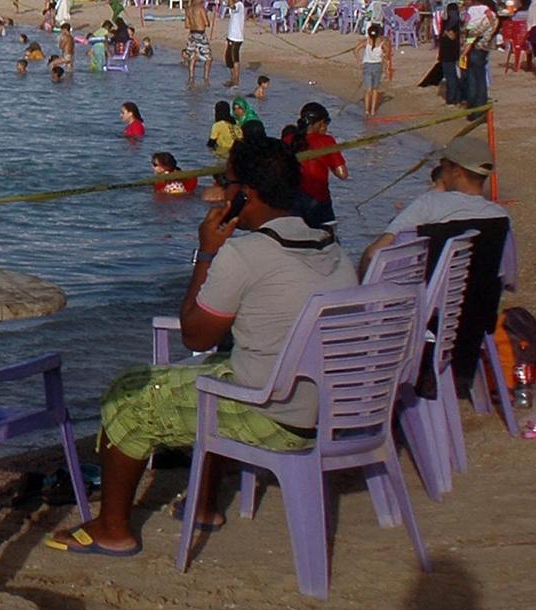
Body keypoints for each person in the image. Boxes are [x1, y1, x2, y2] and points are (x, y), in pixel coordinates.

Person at [47, 137, 356, 557]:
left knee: (128, 395)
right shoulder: (331, 247)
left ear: (246, 193)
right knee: (218, 367)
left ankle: (113, 527)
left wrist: (208, 253)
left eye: (228, 184)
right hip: (321, 406)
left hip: (271, 414)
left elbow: (195, 335)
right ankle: (206, 504)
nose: (224, 192)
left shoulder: (246, 254)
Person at [359, 133, 509, 274]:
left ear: (456, 171)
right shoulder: (500, 216)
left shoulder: (430, 204)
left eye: (443, 165)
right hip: (480, 300)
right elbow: (505, 273)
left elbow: (373, 255)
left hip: (430, 298)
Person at [221, 0, 247, 88]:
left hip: (237, 37)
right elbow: (226, 4)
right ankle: (232, 77)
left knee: (234, 57)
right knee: (228, 58)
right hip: (231, 35)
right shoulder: (234, 5)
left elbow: (233, 6)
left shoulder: (239, 5)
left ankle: (236, 79)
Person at [358, 24, 388, 116]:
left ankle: (367, 110)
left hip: (368, 66)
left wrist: (360, 61)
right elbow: (386, 53)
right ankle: (372, 110)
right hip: (377, 66)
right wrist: (383, 56)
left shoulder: (366, 42)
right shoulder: (382, 43)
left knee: (368, 90)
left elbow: (355, 50)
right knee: (374, 90)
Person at [182, 0, 210, 86]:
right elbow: (206, 23)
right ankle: (205, 78)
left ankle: (191, 77)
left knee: (192, 57)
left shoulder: (188, 9)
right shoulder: (201, 8)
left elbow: (186, 25)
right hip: (200, 34)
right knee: (208, 58)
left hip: (192, 34)